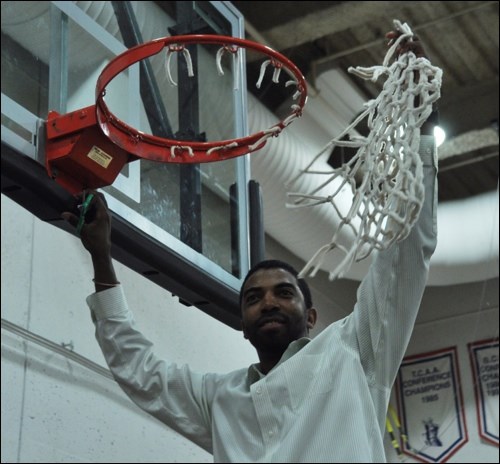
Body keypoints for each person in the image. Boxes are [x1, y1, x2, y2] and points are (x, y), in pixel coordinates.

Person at [62, 29, 439, 463]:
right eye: (253, 298)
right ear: (242, 323)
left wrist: (419, 128)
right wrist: (101, 257)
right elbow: (138, 369)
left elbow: (407, 254)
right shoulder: (218, 399)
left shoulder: (353, 350)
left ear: (312, 315)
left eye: (284, 292)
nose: (268, 303)